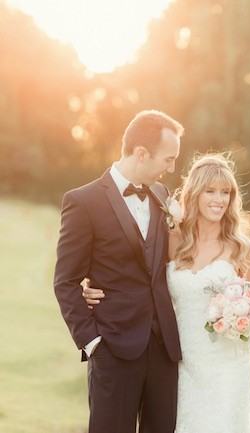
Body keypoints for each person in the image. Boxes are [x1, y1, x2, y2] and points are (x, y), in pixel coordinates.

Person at [84, 153, 250, 432]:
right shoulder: (174, 240)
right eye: (211, 191)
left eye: (226, 193)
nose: (219, 199)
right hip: (180, 364)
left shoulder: (241, 249)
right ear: (195, 193)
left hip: (226, 366)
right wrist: (93, 286)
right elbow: (139, 277)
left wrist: (240, 318)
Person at [53, 109, 184, 433]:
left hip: (163, 349)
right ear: (142, 153)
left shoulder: (162, 195)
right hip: (112, 347)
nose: (171, 168)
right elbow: (65, 281)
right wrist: (92, 341)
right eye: (168, 160)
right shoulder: (83, 202)